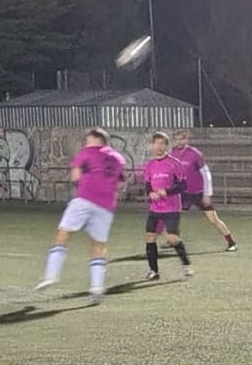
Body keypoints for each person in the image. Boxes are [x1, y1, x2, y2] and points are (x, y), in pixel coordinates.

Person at [35, 128, 126, 302]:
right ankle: (97, 288)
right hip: (106, 206)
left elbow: (75, 176)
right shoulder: (119, 158)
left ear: (94, 139)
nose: (85, 143)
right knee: (98, 245)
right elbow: (120, 183)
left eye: (87, 140)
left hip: (84, 199)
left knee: (63, 234)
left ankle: (51, 275)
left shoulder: (86, 152)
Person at [170, 129, 237, 250]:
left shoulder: (195, 154)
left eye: (182, 139)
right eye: (177, 139)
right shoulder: (173, 153)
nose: (179, 142)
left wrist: (207, 194)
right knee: (172, 215)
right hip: (183, 192)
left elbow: (206, 174)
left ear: (186, 139)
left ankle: (231, 242)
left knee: (213, 218)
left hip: (198, 192)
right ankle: (174, 238)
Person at [141, 131, 192, 281]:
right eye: (156, 143)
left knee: (172, 238)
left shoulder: (174, 163)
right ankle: (154, 271)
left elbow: (183, 185)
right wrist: (150, 193)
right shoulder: (150, 165)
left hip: (171, 208)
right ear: (152, 145)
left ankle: (186, 264)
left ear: (166, 146)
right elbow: (148, 184)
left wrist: (167, 191)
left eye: (162, 143)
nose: (159, 146)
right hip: (155, 208)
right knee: (150, 237)